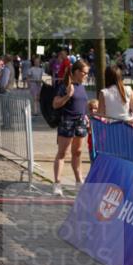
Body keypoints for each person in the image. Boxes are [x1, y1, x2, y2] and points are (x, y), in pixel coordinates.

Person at [52, 59, 90, 196]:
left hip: (80, 122)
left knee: (78, 152)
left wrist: (86, 116)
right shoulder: (65, 85)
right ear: (76, 72)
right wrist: (68, 95)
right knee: (62, 153)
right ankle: (57, 184)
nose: (86, 75)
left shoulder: (82, 86)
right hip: (67, 121)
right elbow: (55, 104)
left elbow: (81, 104)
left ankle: (79, 181)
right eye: (85, 73)